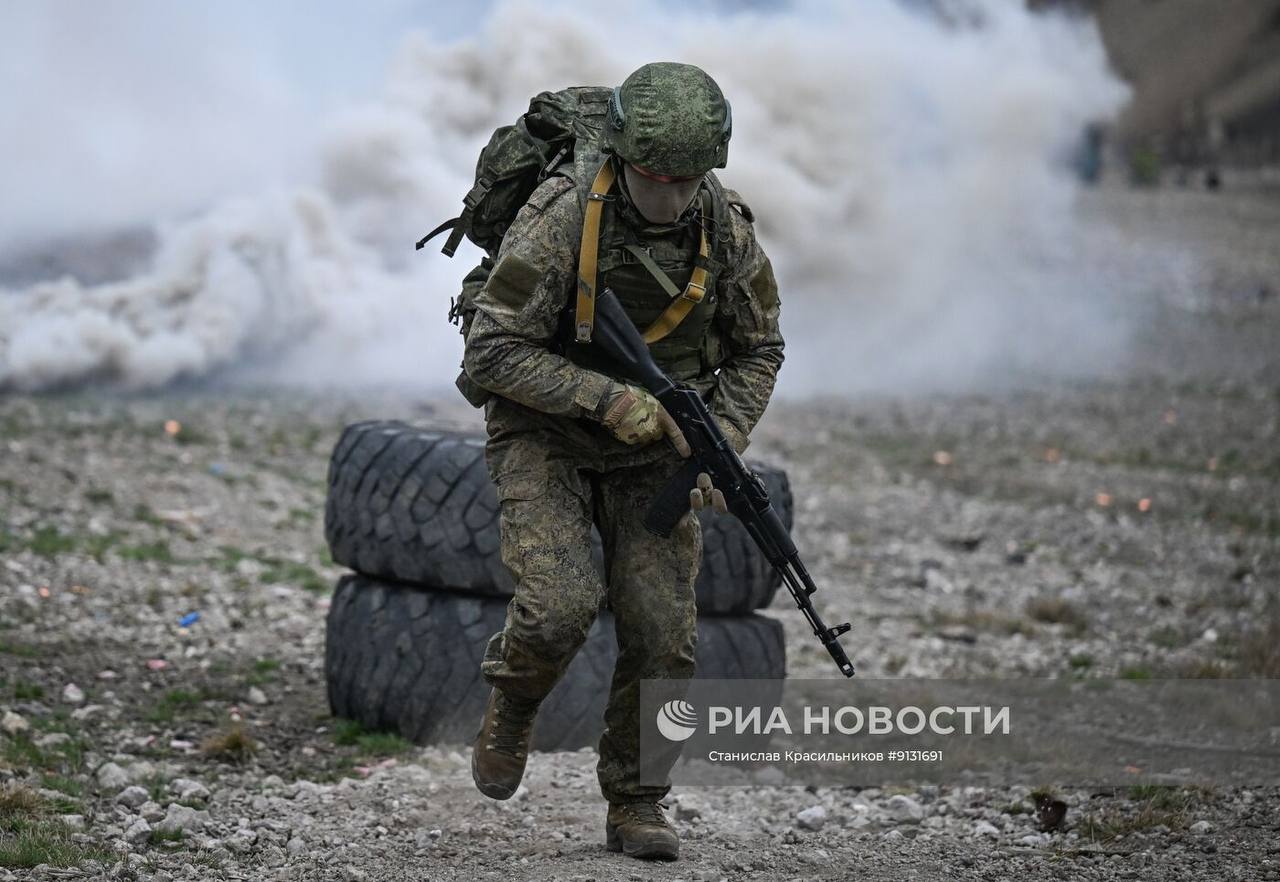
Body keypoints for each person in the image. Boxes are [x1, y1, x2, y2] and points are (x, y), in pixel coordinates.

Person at [462, 61, 783, 862]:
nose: (669, 197)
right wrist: (612, 402)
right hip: (545, 428)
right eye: (654, 179)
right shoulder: (565, 213)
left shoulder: (724, 229)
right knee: (559, 607)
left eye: (686, 181)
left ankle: (638, 801)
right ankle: (515, 701)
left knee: (664, 635)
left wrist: (721, 437)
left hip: (658, 447)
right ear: (623, 157)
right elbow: (491, 349)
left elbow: (760, 348)